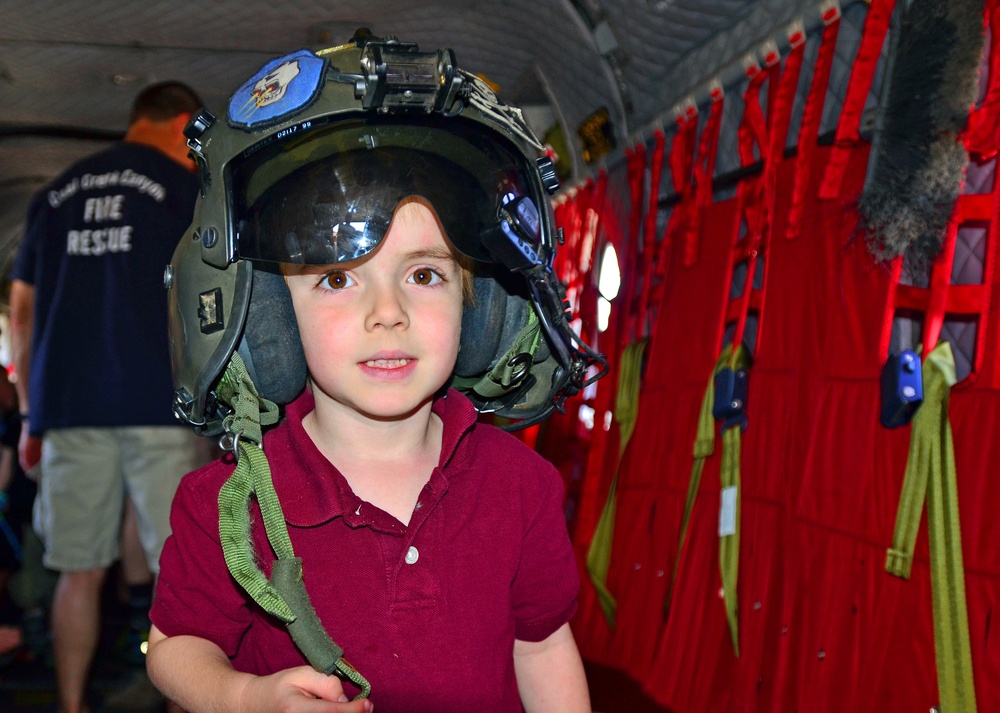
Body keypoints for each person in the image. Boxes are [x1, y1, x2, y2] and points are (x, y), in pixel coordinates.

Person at [145, 33, 606, 713]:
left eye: (423, 274)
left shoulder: (522, 487)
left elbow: (541, 646)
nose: (387, 312)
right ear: (271, 316)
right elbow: (175, 647)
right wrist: (246, 696)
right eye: (336, 278)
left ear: (480, 309)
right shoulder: (228, 504)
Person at [8, 80, 206, 713]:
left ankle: (68, 704)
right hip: (156, 403)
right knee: (183, 574)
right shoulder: (181, 189)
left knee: (76, 570)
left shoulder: (53, 196)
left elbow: (22, 312)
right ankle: (181, 702)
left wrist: (30, 412)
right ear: (182, 124)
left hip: (69, 409)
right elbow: (205, 303)